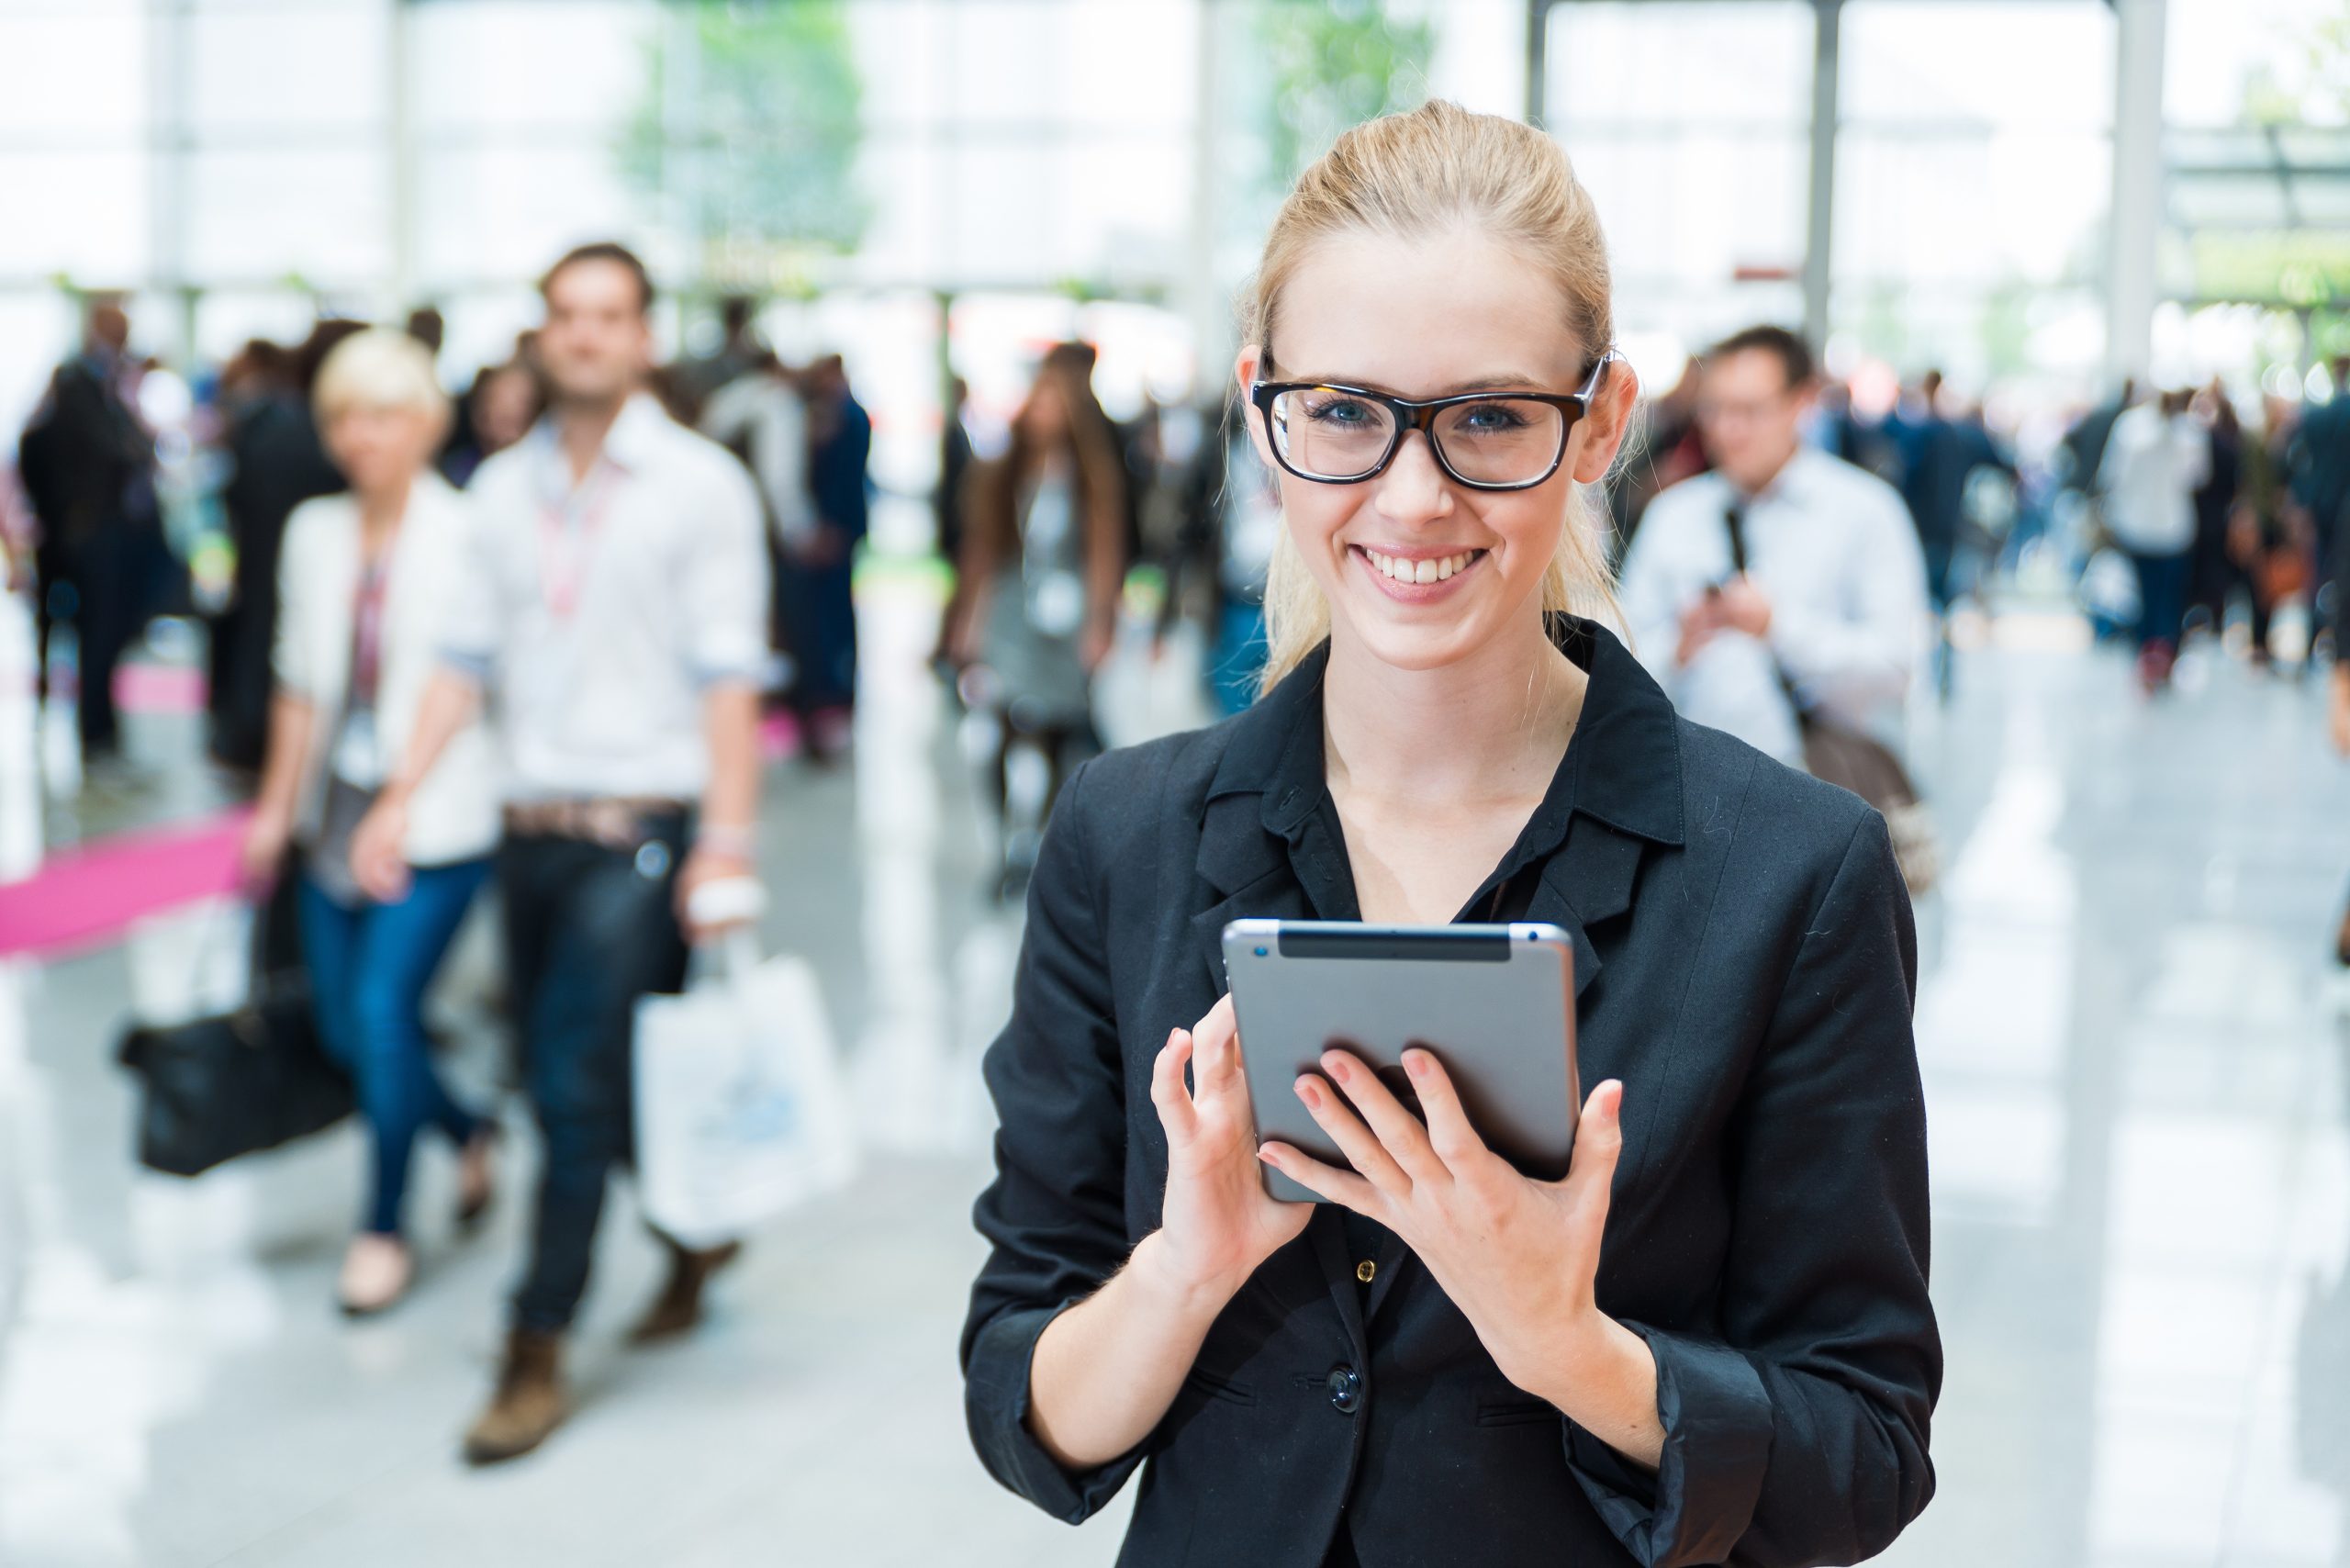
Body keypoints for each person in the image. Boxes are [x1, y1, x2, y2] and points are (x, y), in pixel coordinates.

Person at [962, 100, 1939, 1567]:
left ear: (1600, 422)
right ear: (1263, 409)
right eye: (1346, 412)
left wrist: (1570, 1345)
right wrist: (1183, 1269)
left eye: (1489, 418)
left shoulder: (1788, 874)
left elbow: (1860, 1457)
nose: (1411, 498)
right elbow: (1023, 1406)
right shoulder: (1127, 836)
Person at [349, 241, 768, 1465]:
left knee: (573, 1083)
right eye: (566, 316)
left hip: (641, 838)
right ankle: (692, 1233)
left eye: (610, 315)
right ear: (540, 335)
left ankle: (534, 1348)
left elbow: (730, 681)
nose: (586, 335)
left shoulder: (699, 487)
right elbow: (459, 665)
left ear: (644, 337)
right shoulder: (498, 492)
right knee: (580, 1078)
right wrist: (397, 796)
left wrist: (725, 847)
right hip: (527, 839)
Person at [239, 329, 502, 1316]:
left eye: (383, 415)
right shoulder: (313, 531)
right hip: (332, 813)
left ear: (426, 421)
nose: (362, 437)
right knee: (349, 1029)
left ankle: (383, 1223)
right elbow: (297, 683)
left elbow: (467, 684)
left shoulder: (465, 529)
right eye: (344, 416)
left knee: (388, 1014)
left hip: (436, 815)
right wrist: (276, 809)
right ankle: (469, 1129)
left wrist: (398, 803)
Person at [1617, 325, 1929, 770]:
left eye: (1749, 410)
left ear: (1802, 404)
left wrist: (1776, 628)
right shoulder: (1676, 515)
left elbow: (1894, 671)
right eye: (1714, 410)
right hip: (1689, 784)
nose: (1729, 430)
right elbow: (1623, 665)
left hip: (1820, 787)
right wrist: (1681, 644)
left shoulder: (1865, 511)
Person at [948, 346, 1126, 896]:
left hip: (1063, 621)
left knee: (1053, 730)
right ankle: (1006, 837)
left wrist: (1101, 623)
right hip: (1009, 613)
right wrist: (963, 623)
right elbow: (980, 549)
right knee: (997, 724)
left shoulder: (1090, 477)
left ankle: (1038, 840)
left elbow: (1103, 553)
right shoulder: (1002, 473)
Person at [17, 298, 161, 765]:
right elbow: (116, 452)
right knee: (88, 627)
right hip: (87, 529)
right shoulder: (81, 382)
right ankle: (93, 730)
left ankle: (94, 722)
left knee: (94, 626)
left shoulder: (104, 384)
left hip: (90, 527)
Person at [207, 321, 357, 770]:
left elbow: (234, 496)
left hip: (258, 564)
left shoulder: (271, 428)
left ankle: (249, 737)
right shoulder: (324, 443)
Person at [2099, 386, 2210, 692]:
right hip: (2173, 529)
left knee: (2146, 597)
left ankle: (2148, 658)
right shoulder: (2189, 432)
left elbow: (2112, 476)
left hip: (2139, 527)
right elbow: (2197, 478)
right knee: (2167, 599)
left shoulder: (2130, 427)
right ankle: (2160, 657)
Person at [789, 353, 871, 756]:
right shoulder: (834, 413)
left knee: (835, 620)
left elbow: (844, 479)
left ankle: (836, 697)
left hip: (838, 532)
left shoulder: (847, 417)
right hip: (837, 529)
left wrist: (832, 528)